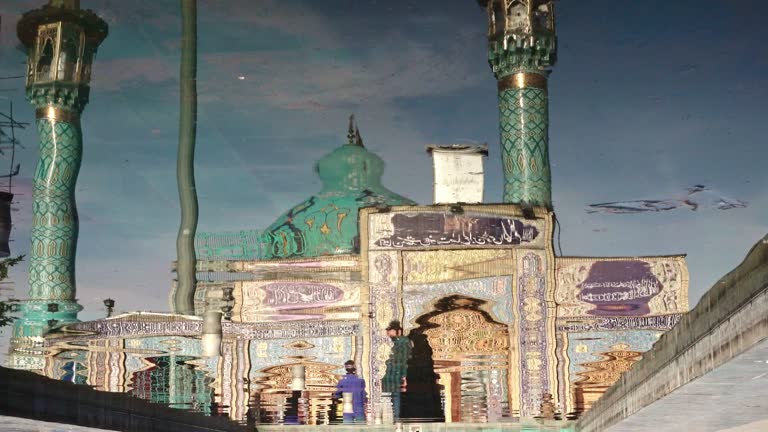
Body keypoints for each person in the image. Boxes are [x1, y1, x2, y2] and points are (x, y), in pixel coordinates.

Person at [381, 320, 411, 419]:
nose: (387, 332)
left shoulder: (402, 342)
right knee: (395, 399)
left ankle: (397, 420)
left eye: (390, 330)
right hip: (394, 376)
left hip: (396, 375)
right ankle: (397, 419)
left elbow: (404, 359)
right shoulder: (398, 342)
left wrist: (404, 376)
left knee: (396, 398)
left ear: (396, 330)